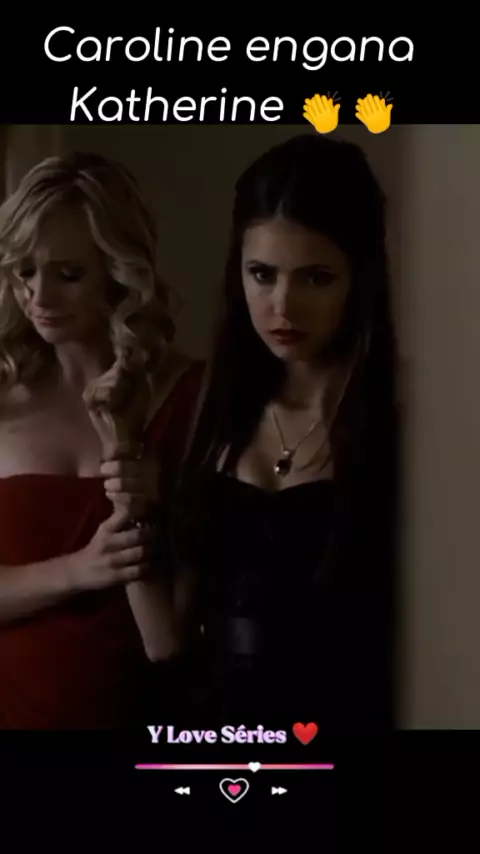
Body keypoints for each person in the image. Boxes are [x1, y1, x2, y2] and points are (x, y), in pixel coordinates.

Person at [152, 133, 400, 731]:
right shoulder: (211, 403)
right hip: (211, 727)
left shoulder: (406, 411)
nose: (283, 306)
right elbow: (168, 638)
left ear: (360, 277)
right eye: (262, 274)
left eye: (316, 278)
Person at [0, 151, 192, 729]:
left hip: (152, 719)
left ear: (118, 271)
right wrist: (80, 569)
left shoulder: (193, 394)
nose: (39, 297)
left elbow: (183, 625)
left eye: (68, 274)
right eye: (24, 271)